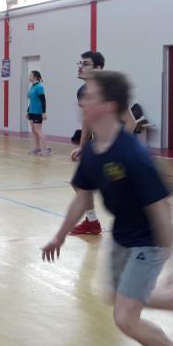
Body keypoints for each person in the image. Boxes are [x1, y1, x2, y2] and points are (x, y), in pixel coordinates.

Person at [41, 71, 173, 346]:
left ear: (108, 105)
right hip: (122, 236)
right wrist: (58, 236)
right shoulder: (94, 152)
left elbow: (162, 211)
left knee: (126, 318)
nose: (82, 101)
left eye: (90, 96)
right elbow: (82, 197)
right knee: (115, 296)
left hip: (148, 242)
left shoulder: (133, 154)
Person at [70, 51, 139, 235]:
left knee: (119, 191)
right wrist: (82, 147)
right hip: (96, 149)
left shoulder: (109, 92)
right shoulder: (83, 92)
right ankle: (92, 222)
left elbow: (131, 122)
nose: (80, 67)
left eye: (86, 64)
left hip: (113, 152)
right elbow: (87, 122)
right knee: (79, 184)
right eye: (81, 63)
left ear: (98, 68)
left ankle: (137, 225)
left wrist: (118, 148)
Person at [27, 70, 50, 156]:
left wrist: (43, 112)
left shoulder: (39, 87)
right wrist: (28, 111)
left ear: (35, 77)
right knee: (33, 130)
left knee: (38, 130)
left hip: (38, 112)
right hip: (31, 111)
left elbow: (43, 100)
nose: (29, 77)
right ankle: (37, 148)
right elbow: (32, 101)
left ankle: (48, 149)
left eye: (30, 75)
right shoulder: (32, 87)